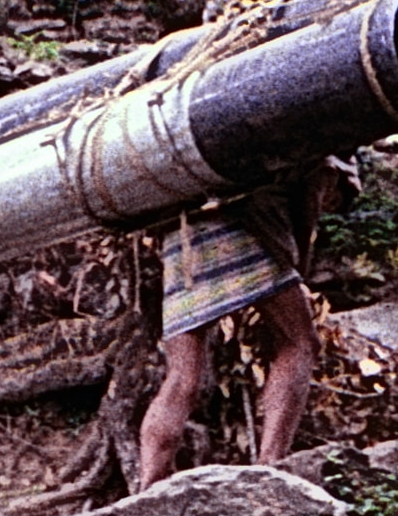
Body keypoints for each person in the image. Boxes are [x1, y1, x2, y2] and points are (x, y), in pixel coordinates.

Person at [133, 165, 331, 488]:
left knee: (182, 376)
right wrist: (296, 262)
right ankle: (271, 464)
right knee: (300, 342)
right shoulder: (324, 150)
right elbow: (307, 207)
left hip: (180, 239)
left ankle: (148, 485)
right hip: (242, 226)